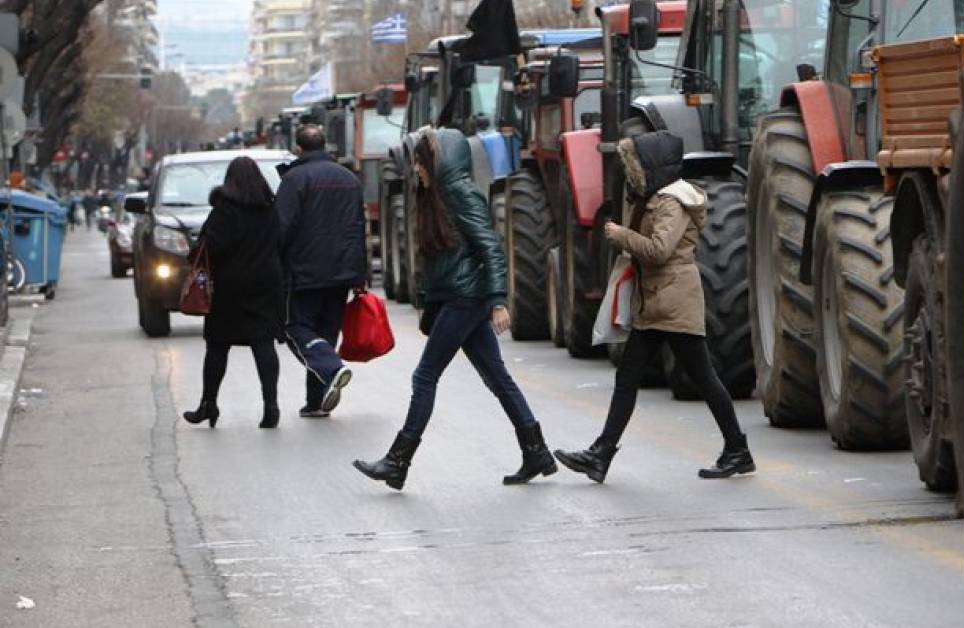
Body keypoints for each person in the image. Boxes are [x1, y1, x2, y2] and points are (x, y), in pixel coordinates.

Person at [353, 127, 554, 490]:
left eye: (420, 161)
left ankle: (398, 461)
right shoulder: (439, 196)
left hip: (468, 297)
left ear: (438, 161)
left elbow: (489, 248)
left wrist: (497, 301)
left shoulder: (460, 193)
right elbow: (441, 260)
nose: (415, 169)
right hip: (458, 296)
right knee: (497, 377)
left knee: (424, 376)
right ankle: (536, 450)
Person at [553, 131, 755, 482]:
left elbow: (660, 250)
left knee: (704, 378)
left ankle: (737, 449)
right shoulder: (655, 197)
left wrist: (622, 236)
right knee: (629, 377)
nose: (633, 172)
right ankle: (601, 454)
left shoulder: (672, 201)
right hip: (657, 301)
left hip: (673, 300)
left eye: (637, 165)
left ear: (653, 166)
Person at [183, 157, 285, 429]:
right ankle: (271, 406)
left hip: (230, 286)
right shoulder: (270, 209)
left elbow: (210, 247)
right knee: (263, 344)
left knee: (217, 345)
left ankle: (208, 404)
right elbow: (282, 243)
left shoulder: (224, 211)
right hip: (266, 283)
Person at [275, 126, 367, 417]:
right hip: (341, 271)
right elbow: (357, 229)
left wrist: (274, 265)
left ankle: (331, 369)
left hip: (304, 272)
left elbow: (282, 227)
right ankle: (315, 401)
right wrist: (360, 275)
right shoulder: (348, 179)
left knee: (295, 328)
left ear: (298, 148)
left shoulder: (294, 179)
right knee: (325, 335)